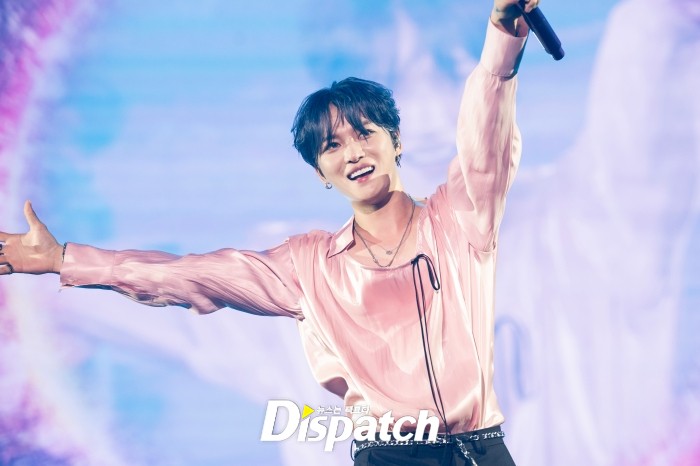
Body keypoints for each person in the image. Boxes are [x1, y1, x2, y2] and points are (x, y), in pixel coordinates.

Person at [0, 0, 536, 464]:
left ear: (395, 141)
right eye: (331, 146)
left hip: (480, 450)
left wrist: (501, 41)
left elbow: (485, 134)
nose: (352, 153)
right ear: (320, 172)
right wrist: (63, 259)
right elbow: (188, 276)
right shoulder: (309, 266)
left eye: (364, 134)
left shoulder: (458, 219)